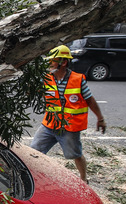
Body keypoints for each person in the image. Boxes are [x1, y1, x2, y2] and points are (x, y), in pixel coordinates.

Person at [30, 45, 106, 183]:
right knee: (33, 152)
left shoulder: (78, 80)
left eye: (52, 61)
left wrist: (100, 118)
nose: (49, 64)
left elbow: (90, 100)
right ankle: (33, 178)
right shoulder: (46, 78)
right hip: (49, 124)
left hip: (69, 128)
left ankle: (83, 179)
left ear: (63, 62)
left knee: (75, 154)